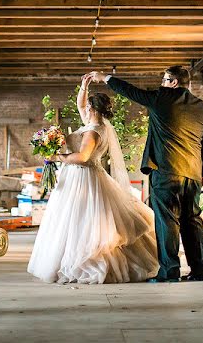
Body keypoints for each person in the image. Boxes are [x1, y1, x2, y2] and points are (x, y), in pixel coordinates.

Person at [89, 66, 203, 283]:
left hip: (166, 172)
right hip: (193, 174)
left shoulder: (162, 98)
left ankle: (170, 271)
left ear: (174, 82)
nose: (162, 83)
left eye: (165, 79)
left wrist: (105, 77)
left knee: (166, 221)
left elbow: (131, 91)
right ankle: (200, 270)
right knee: (193, 221)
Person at [27, 74, 158, 284]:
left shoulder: (93, 132)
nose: (84, 109)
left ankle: (85, 262)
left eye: (87, 106)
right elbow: (81, 105)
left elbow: (83, 157)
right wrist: (83, 86)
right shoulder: (98, 125)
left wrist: (56, 157)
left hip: (83, 177)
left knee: (82, 221)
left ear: (93, 109)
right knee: (77, 221)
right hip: (86, 176)